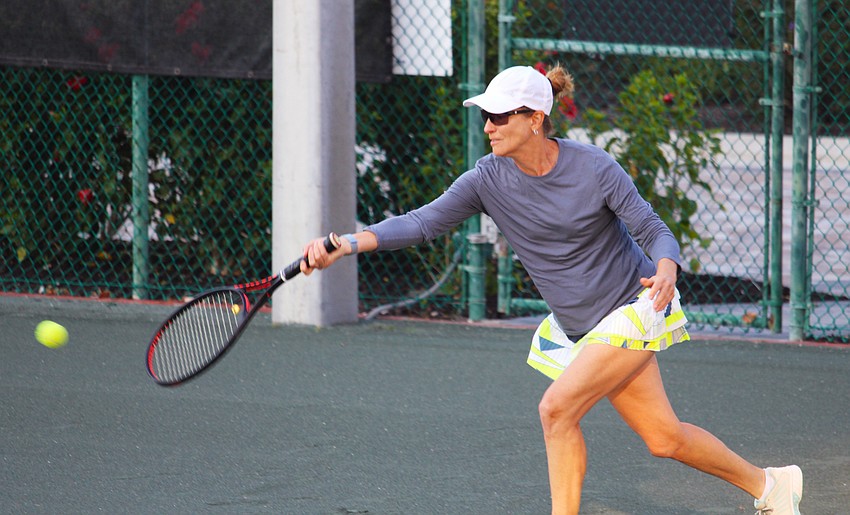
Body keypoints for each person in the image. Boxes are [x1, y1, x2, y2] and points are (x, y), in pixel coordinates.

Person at [300, 65, 803, 515]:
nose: (489, 127)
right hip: (579, 326)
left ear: (535, 118)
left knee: (555, 409)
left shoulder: (594, 168)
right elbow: (421, 223)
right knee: (664, 438)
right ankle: (772, 486)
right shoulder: (485, 179)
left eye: (499, 116)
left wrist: (667, 266)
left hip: (633, 304)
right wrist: (346, 243)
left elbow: (652, 229)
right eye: (485, 117)